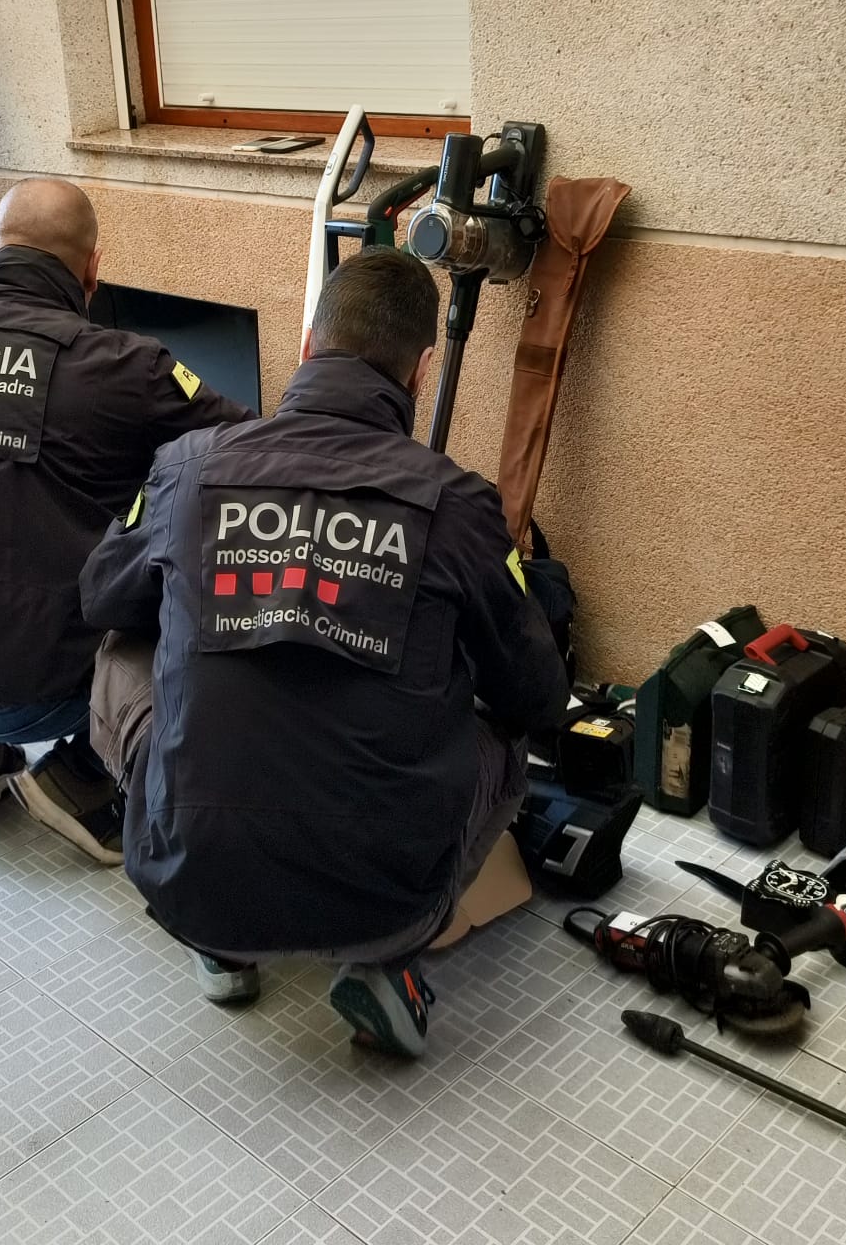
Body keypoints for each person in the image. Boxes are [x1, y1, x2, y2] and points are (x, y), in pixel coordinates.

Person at [79, 247, 569, 1057]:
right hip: (387, 906)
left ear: (308, 344)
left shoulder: (186, 467)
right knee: (506, 738)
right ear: (421, 371)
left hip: (188, 889)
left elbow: (102, 596)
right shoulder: (458, 504)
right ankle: (383, 964)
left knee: (123, 647)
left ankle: (223, 943)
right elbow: (538, 697)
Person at [0, 176, 251, 861]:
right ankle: (81, 776)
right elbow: (253, 455)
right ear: (92, 271)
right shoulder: (125, 365)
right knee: (190, 557)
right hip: (45, 693)